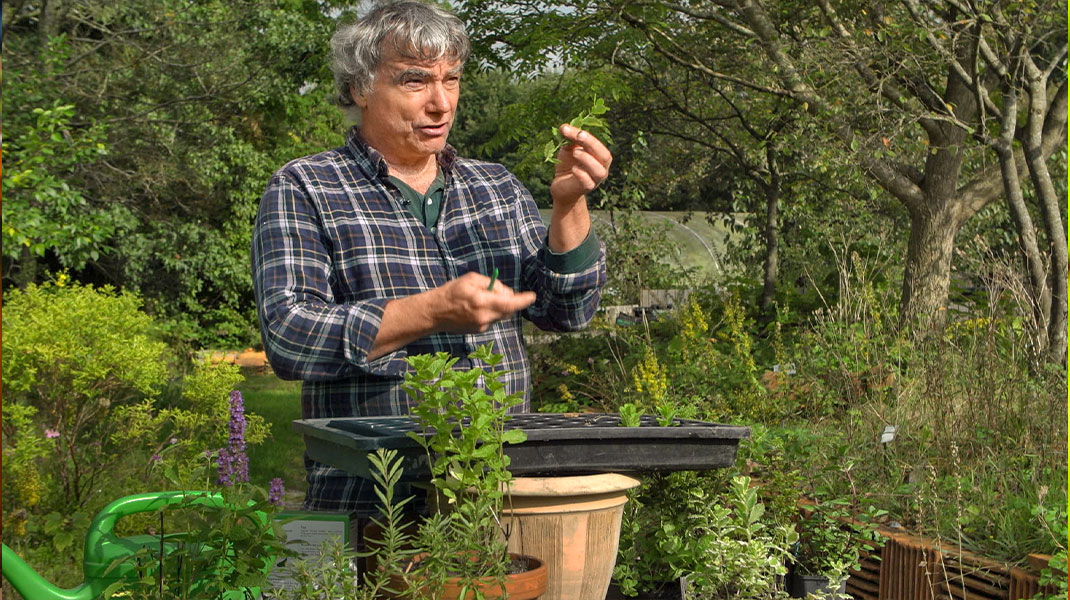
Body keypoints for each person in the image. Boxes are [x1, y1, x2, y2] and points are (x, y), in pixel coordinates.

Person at [251, 0, 611, 514]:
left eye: (453, 80)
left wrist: (569, 203)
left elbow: (568, 311)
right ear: (360, 87)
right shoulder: (307, 188)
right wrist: (432, 311)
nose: (441, 104)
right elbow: (290, 336)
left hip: (499, 491)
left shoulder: (496, 188)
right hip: (375, 501)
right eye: (415, 81)